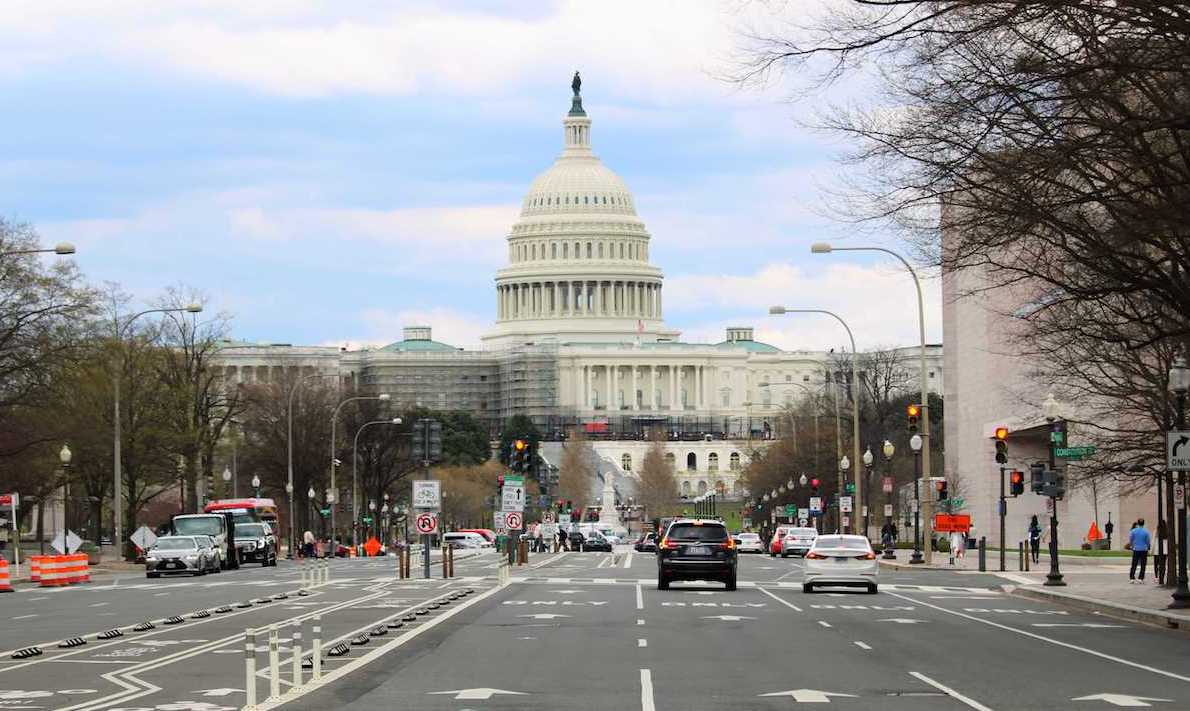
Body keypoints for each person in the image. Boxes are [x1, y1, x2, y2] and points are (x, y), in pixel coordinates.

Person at [1128, 518, 1151, 583]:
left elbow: (1131, 539)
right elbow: (1148, 541)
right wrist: (1148, 547)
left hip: (1136, 549)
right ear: (1143, 523)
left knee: (1134, 564)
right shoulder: (1146, 531)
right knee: (1143, 565)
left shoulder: (1133, 531)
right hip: (1144, 549)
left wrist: (1132, 546)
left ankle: (1132, 578)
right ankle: (1141, 578)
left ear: (1138, 523)